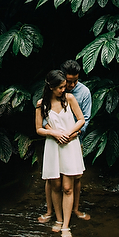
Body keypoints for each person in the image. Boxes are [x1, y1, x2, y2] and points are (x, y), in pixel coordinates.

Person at [38, 60, 92, 224]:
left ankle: (74, 209)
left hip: (74, 137)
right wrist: (53, 131)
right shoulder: (52, 91)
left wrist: (73, 134)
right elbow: (43, 119)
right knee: (52, 177)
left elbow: (85, 118)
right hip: (54, 138)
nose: (71, 84)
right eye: (68, 81)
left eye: (75, 81)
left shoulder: (83, 92)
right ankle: (50, 211)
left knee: (75, 177)